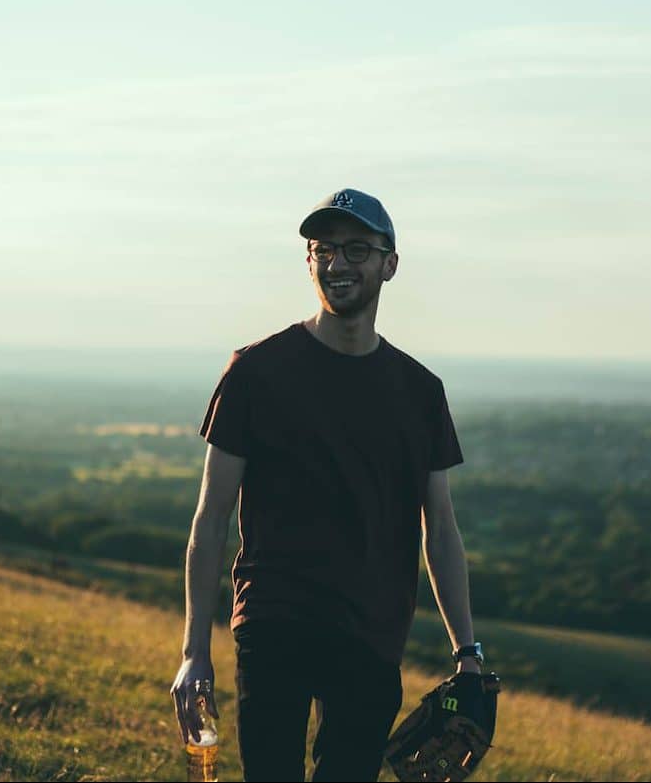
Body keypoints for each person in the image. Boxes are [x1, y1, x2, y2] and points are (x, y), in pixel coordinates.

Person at [171, 188, 482, 782]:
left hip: (372, 634)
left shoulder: (419, 392)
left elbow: (440, 531)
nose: (337, 264)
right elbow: (211, 521)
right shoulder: (255, 372)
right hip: (273, 623)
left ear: (390, 264)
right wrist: (194, 653)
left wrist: (467, 654)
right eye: (323, 249)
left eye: (357, 249)